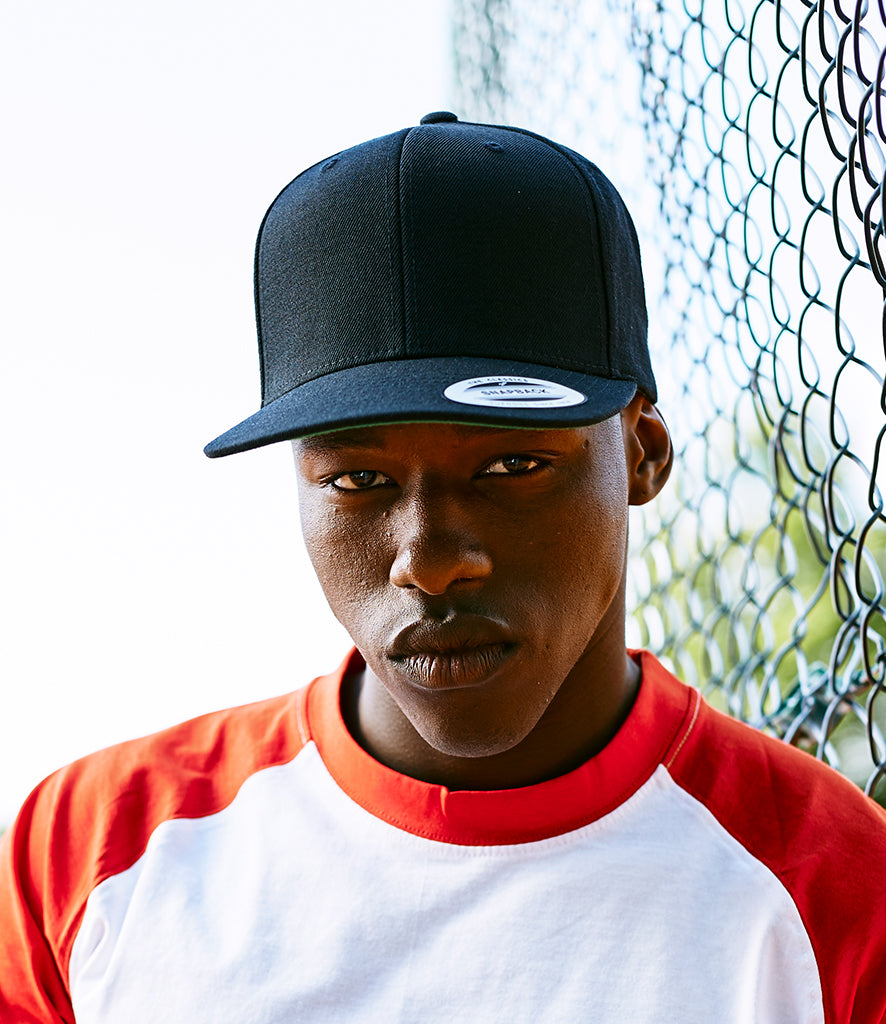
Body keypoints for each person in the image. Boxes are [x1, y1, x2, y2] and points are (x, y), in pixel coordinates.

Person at [2, 111, 885, 1023]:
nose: (428, 562)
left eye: (513, 464)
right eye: (358, 480)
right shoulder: (87, 860)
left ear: (644, 454)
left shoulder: (839, 894)